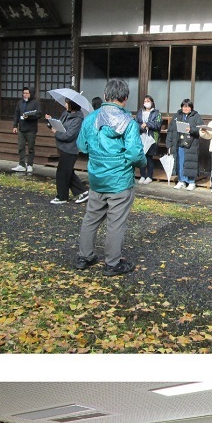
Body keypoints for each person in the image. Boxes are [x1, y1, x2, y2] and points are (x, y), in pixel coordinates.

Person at [73, 80, 146, 277]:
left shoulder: (90, 119)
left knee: (91, 218)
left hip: (97, 177)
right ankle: (112, 263)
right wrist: (142, 163)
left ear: (105, 96)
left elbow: (82, 146)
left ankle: (84, 256)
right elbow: (135, 154)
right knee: (116, 223)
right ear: (125, 98)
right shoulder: (128, 122)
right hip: (120, 179)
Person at [49, 98, 88, 204]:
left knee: (62, 173)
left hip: (71, 149)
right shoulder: (66, 113)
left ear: (72, 105)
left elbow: (69, 135)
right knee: (68, 172)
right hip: (63, 147)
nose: (65, 105)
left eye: (67, 103)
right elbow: (60, 125)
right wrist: (51, 122)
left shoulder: (78, 119)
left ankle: (62, 197)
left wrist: (56, 133)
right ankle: (83, 193)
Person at [167, 98, 201, 189]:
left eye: (188, 107)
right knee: (180, 162)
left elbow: (200, 129)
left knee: (190, 162)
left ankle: (191, 182)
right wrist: (168, 143)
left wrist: (191, 130)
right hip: (179, 142)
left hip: (191, 143)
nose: (185, 109)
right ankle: (181, 180)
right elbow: (171, 130)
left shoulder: (196, 116)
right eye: (184, 107)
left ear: (191, 107)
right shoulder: (177, 115)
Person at [10, 86, 41, 173]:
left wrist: (30, 116)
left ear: (31, 93)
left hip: (31, 129)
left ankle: (30, 164)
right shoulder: (20, 103)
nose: (25, 95)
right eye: (24, 93)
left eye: (27, 93)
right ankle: (22, 164)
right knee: (21, 146)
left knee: (31, 147)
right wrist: (15, 126)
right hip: (22, 128)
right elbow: (16, 114)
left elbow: (39, 114)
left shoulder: (35, 103)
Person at [134, 95, 164, 185]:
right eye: (145, 101)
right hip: (141, 136)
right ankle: (143, 175)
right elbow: (135, 123)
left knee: (149, 157)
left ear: (152, 102)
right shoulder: (140, 112)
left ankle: (149, 176)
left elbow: (158, 125)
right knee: (142, 156)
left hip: (151, 137)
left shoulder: (157, 113)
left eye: (148, 101)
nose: (146, 102)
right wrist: (141, 126)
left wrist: (147, 124)